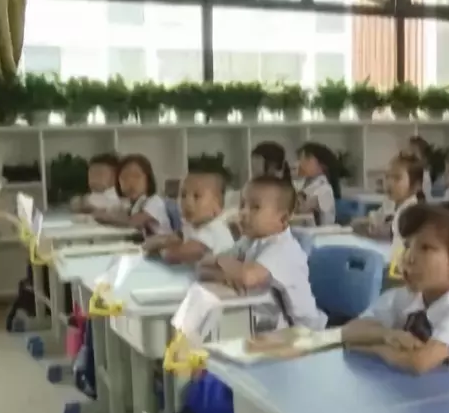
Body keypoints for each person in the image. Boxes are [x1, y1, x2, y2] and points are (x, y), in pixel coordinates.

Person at [341, 201, 449, 378]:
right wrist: (386, 335)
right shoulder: (403, 297)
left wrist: (373, 347)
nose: (408, 257)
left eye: (425, 248)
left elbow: (419, 361)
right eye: (407, 245)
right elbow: (348, 332)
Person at [198, 176, 326, 331]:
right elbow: (202, 266)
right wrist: (225, 274)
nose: (244, 212)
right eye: (242, 205)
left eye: (255, 207)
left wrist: (221, 262)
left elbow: (247, 277)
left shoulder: (283, 249)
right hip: (270, 325)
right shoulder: (250, 241)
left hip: (304, 332)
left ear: (283, 219)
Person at [143, 171, 234, 264]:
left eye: (196, 196)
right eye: (183, 195)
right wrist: (152, 243)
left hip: (219, 272)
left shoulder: (215, 228)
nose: (187, 202)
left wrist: (165, 253)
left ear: (216, 207)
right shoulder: (191, 225)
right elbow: (174, 238)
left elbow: (191, 251)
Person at [94, 154, 173, 237]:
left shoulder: (155, 201)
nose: (130, 182)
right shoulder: (129, 204)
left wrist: (107, 218)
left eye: (136, 176)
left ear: (148, 180)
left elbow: (132, 222)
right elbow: (114, 213)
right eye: (124, 177)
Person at [353, 154, 424, 241]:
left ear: (416, 186)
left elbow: (389, 233)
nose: (389, 183)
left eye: (397, 178)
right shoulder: (390, 203)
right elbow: (376, 218)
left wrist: (371, 229)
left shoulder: (412, 211)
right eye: (387, 177)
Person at [295, 142, 339, 226]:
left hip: (321, 232)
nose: (300, 163)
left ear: (322, 165)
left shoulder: (324, 189)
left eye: (307, 159)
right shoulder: (305, 183)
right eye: (300, 159)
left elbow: (301, 210)